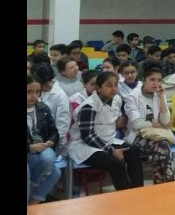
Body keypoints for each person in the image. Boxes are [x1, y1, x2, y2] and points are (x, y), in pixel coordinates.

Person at [68, 71, 144, 191]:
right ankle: (126, 195)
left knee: (134, 152)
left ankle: (138, 191)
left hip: (107, 140)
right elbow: (88, 136)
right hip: (84, 146)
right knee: (114, 162)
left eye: (115, 85)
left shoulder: (116, 100)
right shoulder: (89, 106)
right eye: (108, 85)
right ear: (98, 88)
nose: (113, 89)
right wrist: (112, 151)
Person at [27, 75, 61, 205]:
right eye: (29, 92)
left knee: (49, 162)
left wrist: (51, 141)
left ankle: (32, 203)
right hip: (29, 149)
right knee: (53, 170)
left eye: (37, 92)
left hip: (42, 147)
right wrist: (30, 147)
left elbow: (54, 132)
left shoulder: (42, 108)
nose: (34, 96)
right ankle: (32, 192)